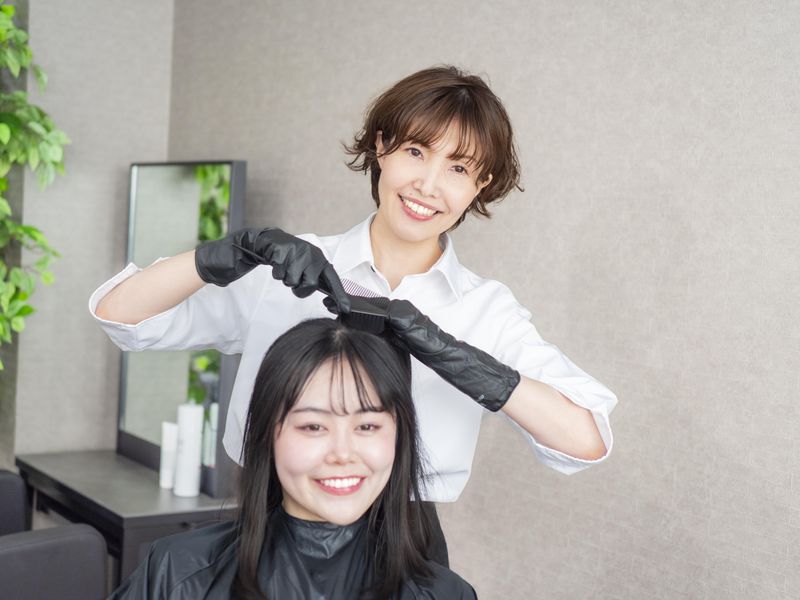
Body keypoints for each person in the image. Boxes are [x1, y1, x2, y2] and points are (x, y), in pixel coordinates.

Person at [91, 65, 618, 564]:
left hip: (403, 551)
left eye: (458, 168)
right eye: (416, 151)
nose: (428, 185)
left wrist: (455, 356)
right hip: (267, 528)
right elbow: (121, 316)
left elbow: (586, 441)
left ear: (481, 185)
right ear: (382, 147)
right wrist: (228, 253)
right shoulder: (287, 269)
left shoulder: (485, 310)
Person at [108, 318, 476, 599]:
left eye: (367, 426)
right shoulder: (179, 573)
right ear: (268, 435)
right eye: (314, 427)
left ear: (399, 438)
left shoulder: (445, 595)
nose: (342, 453)